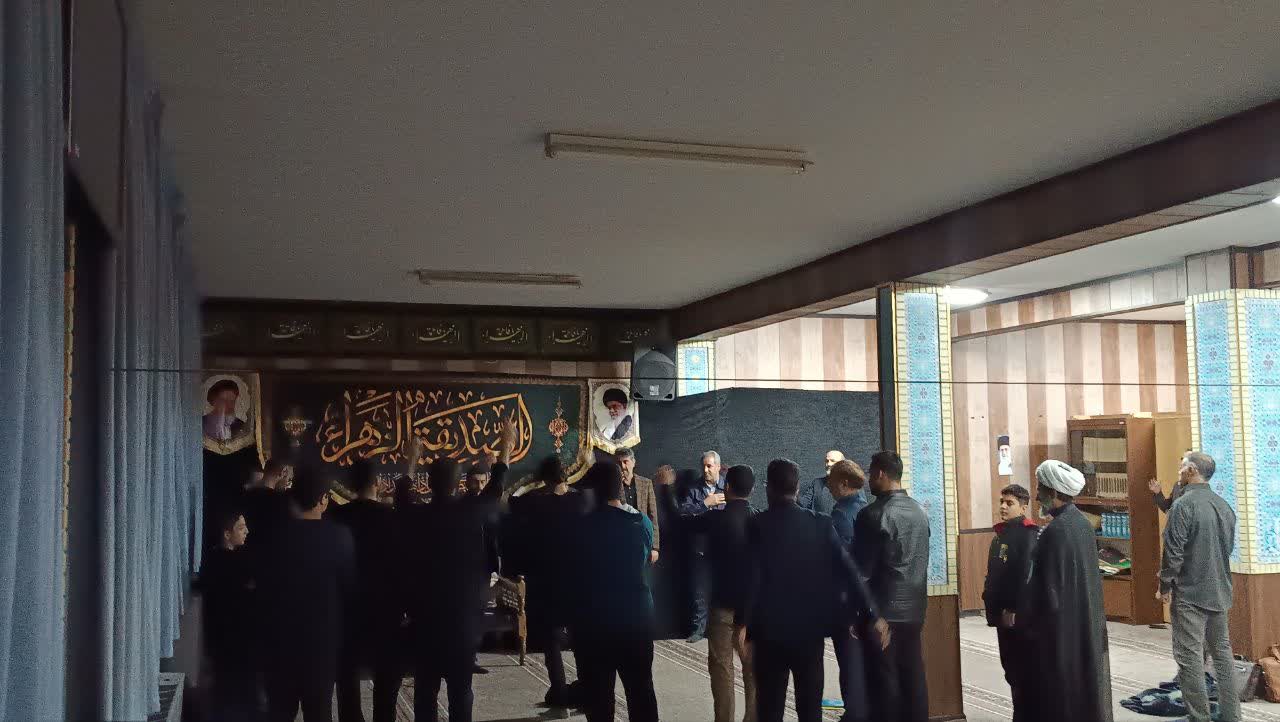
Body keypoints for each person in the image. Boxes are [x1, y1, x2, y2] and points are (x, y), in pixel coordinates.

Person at [742, 458, 888, 722]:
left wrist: (746, 628)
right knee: (810, 710)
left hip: (768, 634)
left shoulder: (756, 525)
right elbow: (849, 570)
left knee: (770, 709)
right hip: (809, 634)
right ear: (797, 488)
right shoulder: (821, 523)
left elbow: (752, 579)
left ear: (769, 488)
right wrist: (872, 613)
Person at [402, 423, 514, 722]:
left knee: (425, 693)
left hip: (425, 621)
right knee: (461, 692)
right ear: (458, 484)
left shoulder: (417, 515)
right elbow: (497, 485)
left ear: (429, 483)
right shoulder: (471, 512)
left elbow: (402, 495)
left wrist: (411, 459)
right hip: (463, 622)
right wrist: (506, 445)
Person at [657, 463, 757, 722]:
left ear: (727, 487)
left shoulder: (716, 519)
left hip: (722, 604)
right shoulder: (759, 520)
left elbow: (678, 523)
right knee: (753, 668)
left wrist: (666, 489)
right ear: (752, 490)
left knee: (722, 668)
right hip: (752, 607)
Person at [256, 470, 356, 722]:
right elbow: (349, 591)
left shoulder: (272, 536)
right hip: (321, 648)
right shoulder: (340, 537)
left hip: (278, 646)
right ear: (323, 499)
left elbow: (261, 588)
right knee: (319, 713)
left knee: (279, 713)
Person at [569, 462, 660, 722]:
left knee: (599, 700)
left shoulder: (583, 528)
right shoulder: (642, 523)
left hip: (596, 625)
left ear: (594, 492)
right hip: (637, 621)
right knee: (642, 692)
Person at [1023, 460, 1112, 722]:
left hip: (1061, 629)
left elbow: (1046, 589)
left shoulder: (1055, 532)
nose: (1036, 496)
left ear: (1053, 492)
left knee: (1062, 691)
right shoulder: (1082, 524)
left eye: (1040, 489)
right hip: (1085, 619)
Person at [1157, 452, 1238, 722]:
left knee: (1189, 657)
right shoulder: (1224, 506)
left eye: (1182, 466)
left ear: (1191, 470)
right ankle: (1231, 716)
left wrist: (1164, 586)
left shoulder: (1183, 506)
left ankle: (1199, 717)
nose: (1179, 471)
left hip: (1190, 594)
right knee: (1222, 655)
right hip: (1219, 590)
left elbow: (1173, 553)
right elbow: (1227, 548)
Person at [853, 451, 929, 722]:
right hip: (915, 610)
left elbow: (862, 571)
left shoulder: (872, 514)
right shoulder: (920, 511)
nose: (868, 480)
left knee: (882, 685)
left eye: (871, 474)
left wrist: (867, 614)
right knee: (913, 679)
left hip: (883, 613)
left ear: (881, 474)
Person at [506, 456, 587, 708]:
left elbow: (508, 499)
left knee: (550, 640)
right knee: (580, 638)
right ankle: (587, 689)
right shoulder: (581, 501)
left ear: (543, 478)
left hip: (545, 583)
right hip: (578, 582)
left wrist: (529, 482)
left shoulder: (533, 503)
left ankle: (559, 691)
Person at [326, 459, 400, 722]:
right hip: (385, 608)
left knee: (346, 677)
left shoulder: (335, 517)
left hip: (346, 608)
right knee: (386, 678)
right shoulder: (391, 517)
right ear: (377, 483)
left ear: (349, 485)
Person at [982, 484, 1038, 722]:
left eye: (1010, 503)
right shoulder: (1002, 534)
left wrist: (1015, 609)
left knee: (1022, 670)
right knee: (1011, 669)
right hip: (1001, 614)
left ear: (1023, 508)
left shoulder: (1028, 535)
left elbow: (1026, 577)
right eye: (1002, 502)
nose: (1003, 507)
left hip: (1016, 616)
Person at [825, 460, 872, 722]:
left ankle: (854, 714)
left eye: (831, 483)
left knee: (850, 662)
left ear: (843, 483)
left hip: (847, 602)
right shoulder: (867, 509)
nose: (829, 487)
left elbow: (843, 564)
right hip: (869, 599)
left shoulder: (841, 515)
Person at [200, 510, 256, 722]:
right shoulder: (236, 564)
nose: (246, 531)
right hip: (235, 641)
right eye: (241, 528)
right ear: (227, 534)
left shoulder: (211, 560)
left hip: (219, 641)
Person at [677, 450, 726, 642]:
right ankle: (699, 630)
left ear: (718, 467)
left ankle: (721, 630)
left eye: (709, 466)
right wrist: (706, 503)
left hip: (723, 548)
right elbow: (684, 512)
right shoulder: (694, 489)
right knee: (700, 591)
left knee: (724, 591)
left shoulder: (727, 487)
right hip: (701, 548)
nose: (705, 470)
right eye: (703, 466)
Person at [617, 447, 661, 563]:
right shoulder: (613, 485)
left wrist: (655, 547)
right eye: (619, 463)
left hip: (642, 541)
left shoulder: (646, 483)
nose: (623, 466)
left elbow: (653, 516)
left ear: (633, 462)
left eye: (625, 462)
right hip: (621, 541)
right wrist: (616, 483)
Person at [241, 459, 291, 555]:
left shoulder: (245, 492)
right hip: (263, 550)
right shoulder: (279, 501)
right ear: (281, 473)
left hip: (244, 546)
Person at [797, 449, 844, 514]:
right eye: (827, 461)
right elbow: (803, 504)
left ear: (842, 464)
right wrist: (792, 491)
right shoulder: (817, 483)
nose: (828, 464)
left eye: (833, 461)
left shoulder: (850, 485)